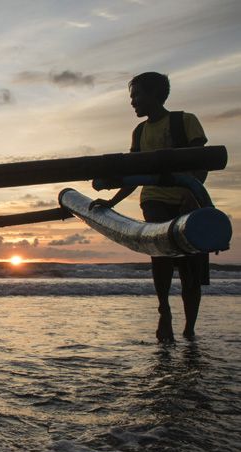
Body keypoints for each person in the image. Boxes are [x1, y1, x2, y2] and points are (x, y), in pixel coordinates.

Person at [91, 72, 208, 342]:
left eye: (136, 96)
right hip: (154, 199)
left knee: (190, 266)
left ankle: (190, 329)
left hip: (189, 197)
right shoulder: (140, 132)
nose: (132, 102)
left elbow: (202, 162)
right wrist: (112, 202)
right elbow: (135, 174)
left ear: (155, 95)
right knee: (160, 253)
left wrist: (191, 194)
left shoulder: (185, 121)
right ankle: (164, 310)